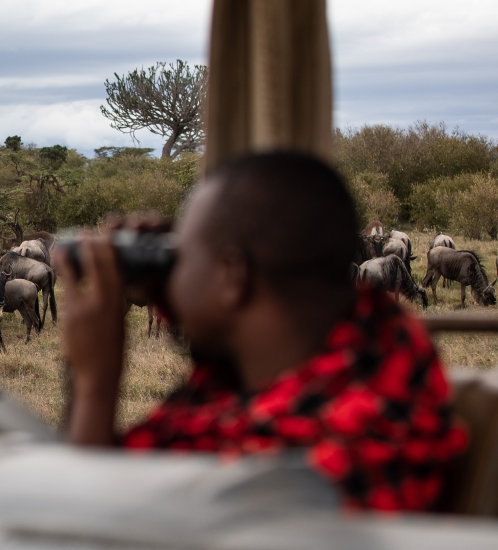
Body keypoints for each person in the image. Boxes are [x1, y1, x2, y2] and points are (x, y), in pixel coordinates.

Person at [55, 152, 466, 512]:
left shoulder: (276, 470)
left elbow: (84, 523)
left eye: (184, 256)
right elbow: (236, 358)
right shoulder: (386, 348)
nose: (175, 270)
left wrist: (93, 380)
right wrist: (189, 290)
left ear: (233, 276)